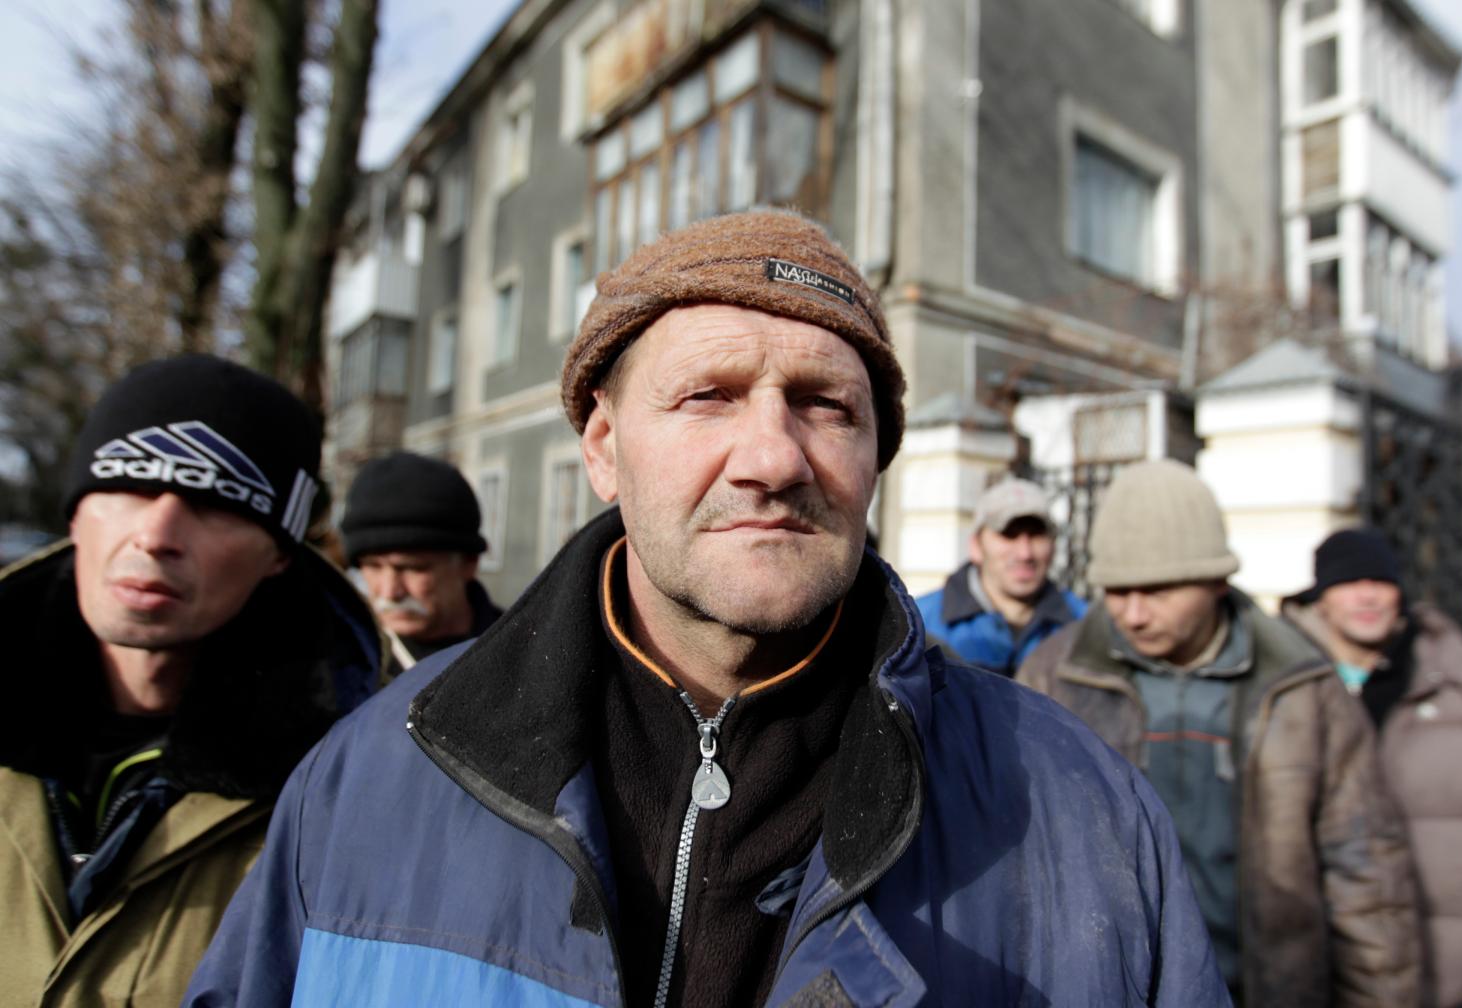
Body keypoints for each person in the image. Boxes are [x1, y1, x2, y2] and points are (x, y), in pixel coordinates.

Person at [187, 210, 1227, 1006]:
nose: (773, 459)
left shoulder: (1082, 810)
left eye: (827, 406)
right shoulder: (372, 781)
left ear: (876, 461)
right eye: (707, 397)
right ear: (602, 449)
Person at [0, 355, 385, 1005]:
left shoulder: (353, 794)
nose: (156, 535)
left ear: (279, 555)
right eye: (129, 487)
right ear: (75, 514)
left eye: (214, 505)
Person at [1017, 458, 1421, 1006]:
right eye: (1116, 590)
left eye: (1156, 589)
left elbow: (1366, 876)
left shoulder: (1301, 685)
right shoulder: (1052, 675)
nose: (1132, 614)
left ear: (1215, 579)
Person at [1283, 527, 1462, 1007]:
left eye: (1380, 581)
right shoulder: (1284, 687)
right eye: (1349, 582)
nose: (1367, 595)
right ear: (1320, 599)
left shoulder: (1457, 691)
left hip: (1454, 966)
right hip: (1325, 961)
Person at [339, 451, 504, 669]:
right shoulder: (342, 668)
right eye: (373, 566)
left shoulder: (521, 651)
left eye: (413, 568)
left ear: (469, 563)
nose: (390, 592)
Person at [914, 476, 1085, 676]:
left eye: (1037, 535)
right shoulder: (921, 623)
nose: (1025, 553)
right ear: (976, 546)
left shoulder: (1084, 625)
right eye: (1008, 534)